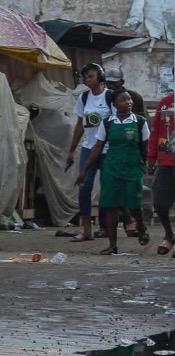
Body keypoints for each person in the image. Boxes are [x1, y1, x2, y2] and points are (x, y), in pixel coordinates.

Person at [78, 89, 150, 254]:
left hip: (132, 168)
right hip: (111, 168)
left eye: (129, 99)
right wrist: (84, 169)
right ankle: (112, 245)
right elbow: (98, 146)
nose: (128, 102)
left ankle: (141, 227)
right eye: (123, 100)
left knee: (134, 204)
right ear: (115, 104)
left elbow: (145, 147)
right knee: (110, 206)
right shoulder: (107, 123)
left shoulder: (140, 122)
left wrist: (145, 165)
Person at [66, 64, 114, 242]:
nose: (87, 80)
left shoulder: (110, 97)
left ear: (100, 77)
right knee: (84, 187)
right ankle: (86, 230)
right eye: (85, 77)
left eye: (91, 76)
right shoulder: (84, 97)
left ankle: (107, 227)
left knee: (108, 189)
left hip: (107, 149)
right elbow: (80, 125)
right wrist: (71, 150)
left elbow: (117, 122)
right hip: (88, 147)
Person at [148, 91, 175, 256]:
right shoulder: (166, 102)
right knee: (160, 203)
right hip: (166, 161)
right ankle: (169, 234)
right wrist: (151, 156)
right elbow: (155, 131)